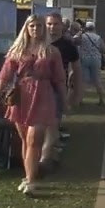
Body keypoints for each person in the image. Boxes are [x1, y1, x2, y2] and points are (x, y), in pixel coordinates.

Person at [0, 15, 66, 196]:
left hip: (43, 94)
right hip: (22, 95)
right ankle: (28, 175)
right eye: (32, 26)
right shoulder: (17, 49)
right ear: (26, 28)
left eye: (39, 26)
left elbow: (60, 78)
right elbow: (5, 75)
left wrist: (65, 100)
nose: (35, 29)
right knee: (24, 139)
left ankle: (32, 181)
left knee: (34, 139)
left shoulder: (51, 51)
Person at [42, 13, 78, 170]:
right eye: (49, 24)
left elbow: (77, 69)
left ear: (62, 26)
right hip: (38, 89)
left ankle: (45, 160)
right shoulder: (37, 42)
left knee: (53, 124)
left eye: (56, 24)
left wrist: (76, 91)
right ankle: (48, 155)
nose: (52, 27)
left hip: (57, 89)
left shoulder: (68, 45)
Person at [75, 20, 105, 105]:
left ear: (86, 28)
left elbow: (75, 40)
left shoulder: (82, 36)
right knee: (97, 80)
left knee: (84, 81)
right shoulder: (98, 37)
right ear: (93, 28)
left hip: (84, 58)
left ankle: (80, 100)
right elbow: (103, 49)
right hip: (96, 59)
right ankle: (101, 99)